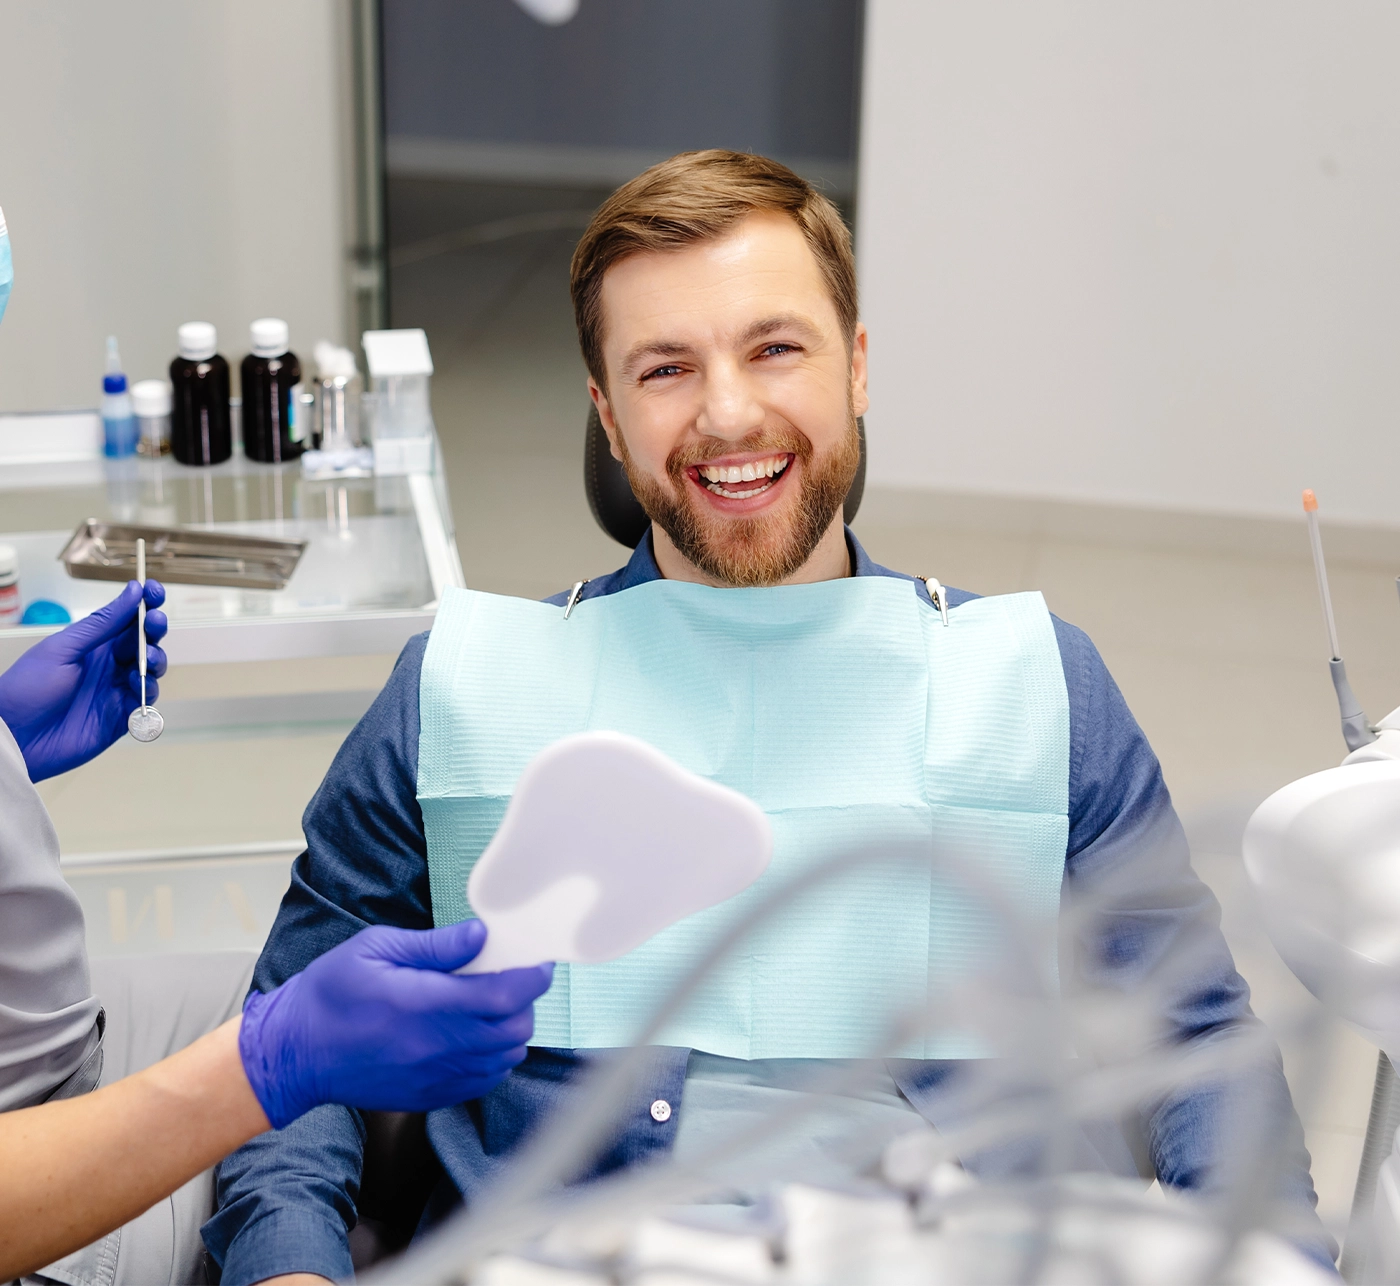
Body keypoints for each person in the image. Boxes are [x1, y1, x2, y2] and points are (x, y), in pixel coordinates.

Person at [207, 150, 1335, 1286]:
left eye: (774, 347)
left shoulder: (1033, 687)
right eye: (664, 369)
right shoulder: (459, 691)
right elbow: (282, 1058)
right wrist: (287, 1268)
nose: (728, 413)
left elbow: (1199, 1047)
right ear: (606, 415)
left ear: (855, 368)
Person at [0, 581, 552, 1284]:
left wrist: (3, 744)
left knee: (258, 984)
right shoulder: (448, 684)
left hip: (36, 1063)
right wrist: (259, 1072)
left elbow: (305, 960)